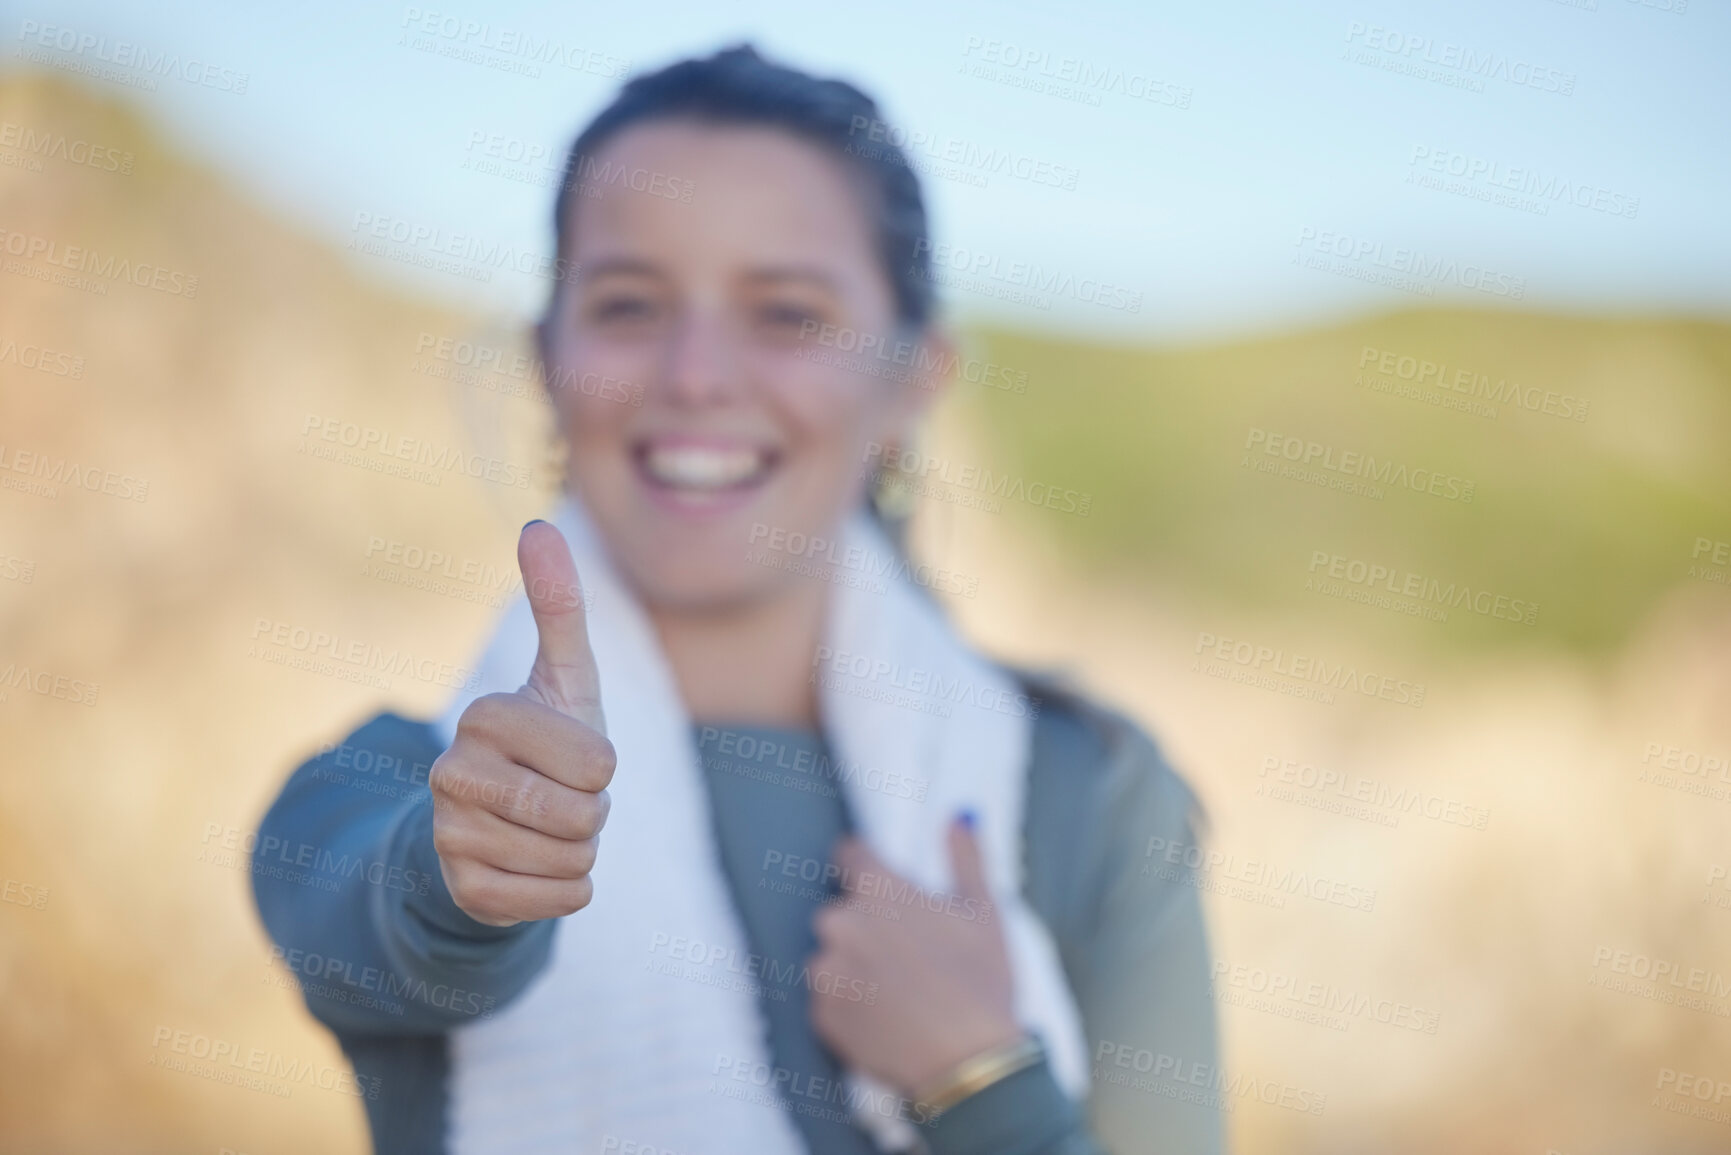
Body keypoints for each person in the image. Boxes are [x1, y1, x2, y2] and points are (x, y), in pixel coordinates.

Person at [253, 43, 1219, 1155]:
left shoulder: (1092, 798)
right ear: (546, 363)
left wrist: (979, 1082)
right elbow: (394, 922)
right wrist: (460, 877)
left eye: (787, 313)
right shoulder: (403, 793)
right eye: (628, 305)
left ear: (912, 382)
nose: (697, 374)